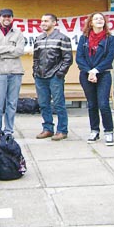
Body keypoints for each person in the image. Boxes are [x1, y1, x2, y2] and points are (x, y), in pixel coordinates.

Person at [76, 12, 114, 146]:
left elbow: (109, 58)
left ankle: (109, 132)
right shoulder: (84, 38)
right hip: (86, 75)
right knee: (92, 104)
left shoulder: (110, 39)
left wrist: (95, 70)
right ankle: (94, 130)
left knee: (103, 104)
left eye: (101, 19)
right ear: (91, 22)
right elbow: (79, 58)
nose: (99, 20)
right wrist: (89, 71)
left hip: (103, 74)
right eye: (96, 19)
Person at [0, 8, 25, 139]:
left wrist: (0, 52)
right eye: (4, 16)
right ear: (0, 18)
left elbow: (19, 51)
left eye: (9, 16)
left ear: (12, 18)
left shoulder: (18, 33)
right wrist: (9, 49)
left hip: (15, 72)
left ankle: (9, 130)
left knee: (12, 103)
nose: (6, 19)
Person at [34, 13, 73, 141]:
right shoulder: (39, 39)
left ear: (54, 23)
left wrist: (59, 73)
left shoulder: (63, 38)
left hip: (55, 76)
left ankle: (62, 130)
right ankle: (48, 129)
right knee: (43, 104)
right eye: (42, 21)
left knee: (58, 104)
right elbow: (35, 58)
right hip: (40, 76)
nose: (43, 23)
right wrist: (35, 72)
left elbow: (68, 59)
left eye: (46, 21)